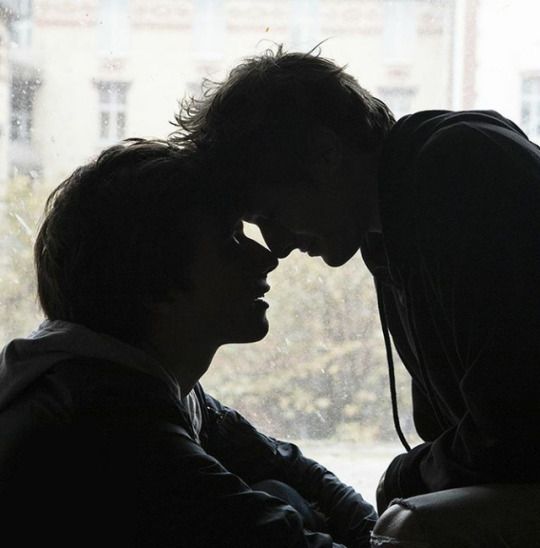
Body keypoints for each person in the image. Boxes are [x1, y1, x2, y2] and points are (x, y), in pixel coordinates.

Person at [171, 46, 540, 546]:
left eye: (272, 215)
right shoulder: (395, 220)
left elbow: (515, 432)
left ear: (327, 154)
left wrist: (401, 480)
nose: (276, 247)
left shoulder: (459, 170)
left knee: (408, 527)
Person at [0, 139, 377, 547]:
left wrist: (374, 534)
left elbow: (284, 465)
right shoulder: (112, 427)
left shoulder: (117, 379)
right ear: (154, 282)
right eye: (231, 241)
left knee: (280, 491)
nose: (267, 258)